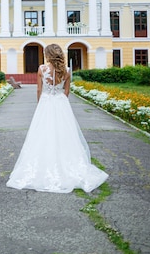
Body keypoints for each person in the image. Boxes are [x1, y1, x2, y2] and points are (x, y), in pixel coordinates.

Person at [6, 44, 108, 193]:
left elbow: (39, 89)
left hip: (45, 103)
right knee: (65, 135)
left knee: (42, 134)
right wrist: (60, 101)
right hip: (61, 104)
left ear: (48, 55)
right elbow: (67, 92)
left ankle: (42, 166)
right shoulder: (67, 71)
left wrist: (41, 104)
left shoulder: (42, 69)